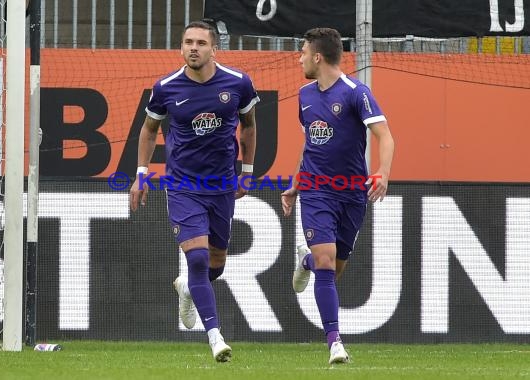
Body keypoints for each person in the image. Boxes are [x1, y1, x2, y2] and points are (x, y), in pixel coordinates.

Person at [129, 20, 259, 362]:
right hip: (183, 185)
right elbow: (148, 130)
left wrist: (247, 172)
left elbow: (249, 127)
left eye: (201, 42)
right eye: (188, 42)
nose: (193, 48)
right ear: (181, 47)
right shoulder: (166, 87)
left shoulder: (238, 83)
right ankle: (215, 336)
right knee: (198, 258)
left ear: (213, 48)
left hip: (221, 185)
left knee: (216, 262)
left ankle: (187, 287)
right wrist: (141, 174)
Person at [281, 27, 395, 365]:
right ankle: (335, 343)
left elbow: (385, 136)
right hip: (316, 191)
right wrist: (297, 182)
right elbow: (310, 146)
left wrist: (383, 174)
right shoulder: (304, 95)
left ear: (317, 56)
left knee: (333, 266)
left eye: (302, 52)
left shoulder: (355, 93)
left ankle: (306, 261)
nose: (299, 57)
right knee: (328, 262)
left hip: (351, 195)